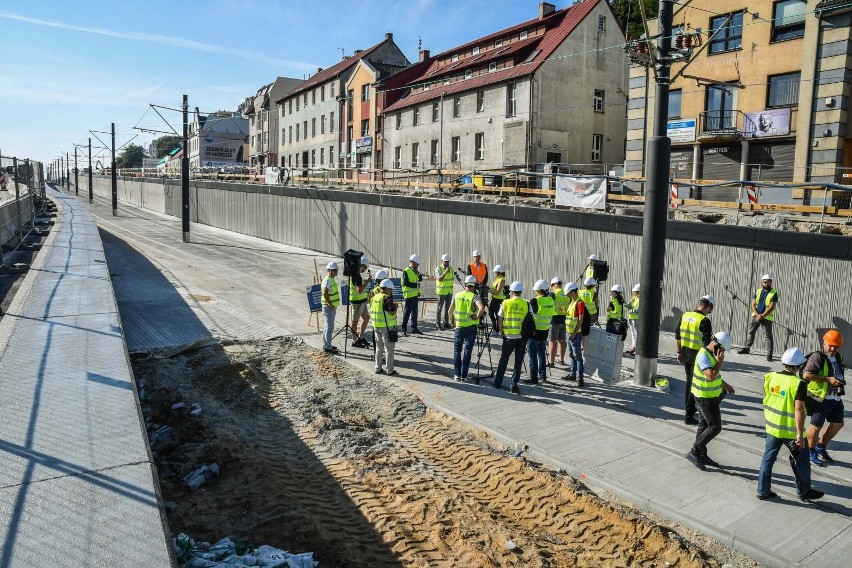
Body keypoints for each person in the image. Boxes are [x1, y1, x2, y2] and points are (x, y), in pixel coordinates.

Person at [756, 347, 824, 501]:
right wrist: (800, 434)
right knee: (802, 461)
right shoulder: (798, 383)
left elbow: (768, 397)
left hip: (773, 427)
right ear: (799, 366)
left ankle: (762, 490)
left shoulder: (769, 376)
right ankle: (804, 491)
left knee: (768, 459)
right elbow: (799, 409)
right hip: (791, 431)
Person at [686, 331, 735, 470]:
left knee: (704, 424)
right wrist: (719, 362)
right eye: (723, 349)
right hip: (705, 397)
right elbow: (711, 377)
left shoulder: (710, 354)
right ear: (717, 345)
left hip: (710, 395)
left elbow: (716, 376)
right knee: (715, 427)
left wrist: (726, 386)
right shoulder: (703, 356)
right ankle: (694, 451)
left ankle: (701, 453)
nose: (723, 352)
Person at [802, 329, 846, 466]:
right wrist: (828, 380)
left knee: (838, 424)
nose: (833, 348)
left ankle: (821, 447)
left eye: (836, 346)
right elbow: (806, 375)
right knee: (816, 426)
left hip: (835, 398)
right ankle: (810, 451)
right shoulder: (817, 357)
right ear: (824, 342)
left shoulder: (838, 357)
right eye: (830, 345)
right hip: (820, 398)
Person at [676, 295, 715, 425]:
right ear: (708, 307)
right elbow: (706, 344)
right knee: (695, 385)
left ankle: (689, 410)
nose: (709, 313)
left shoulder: (685, 315)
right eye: (710, 310)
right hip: (698, 357)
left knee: (689, 382)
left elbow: (677, 335)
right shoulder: (704, 321)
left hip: (685, 353)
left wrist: (679, 351)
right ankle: (689, 414)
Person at [449, 275, 486, 383]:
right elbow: (482, 308)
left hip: (459, 327)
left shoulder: (457, 295)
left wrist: (452, 323)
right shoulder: (475, 296)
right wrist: (477, 316)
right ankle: (464, 376)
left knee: (457, 350)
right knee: (467, 351)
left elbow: (450, 311)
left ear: (465, 285)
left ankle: (457, 375)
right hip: (470, 328)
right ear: (474, 286)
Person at [494, 281, 529, 394]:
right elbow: (530, 320)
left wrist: (501, 331)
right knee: (518, 362)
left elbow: (500, 318)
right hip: (521, 337)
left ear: (511, 292)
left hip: (508, 336)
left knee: (503, 360)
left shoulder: (505, 303)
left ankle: (498, 382)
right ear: (521, 291)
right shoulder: (526, 303)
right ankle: (514, 385)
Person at [738, 274, 779, 361]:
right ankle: (746, 348)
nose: (766, 284)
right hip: (756, 316)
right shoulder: (758, 291)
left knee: (768, 336)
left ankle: (769, 354)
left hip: (766, 318)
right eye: (765, 282)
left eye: (768, 282)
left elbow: (771, 307)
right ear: (762, 282)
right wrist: (757, 315)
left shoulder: (774, 293)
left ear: (771, 282)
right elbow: (753, 304)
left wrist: (762, 316)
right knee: (751, 332)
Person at [526, 280, 554, 385]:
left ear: (538, 290)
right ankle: (543, 376)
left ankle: (534, 378)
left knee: (532, 355)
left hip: (535, 332)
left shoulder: (535, 301)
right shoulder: (550, 299)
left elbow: (530, 316)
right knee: (542, 354)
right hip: (545, 331)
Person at [371, 279, 399, 377]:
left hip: (376, 325)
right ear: (386, 288)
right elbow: (392, 311)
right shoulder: (386, 298)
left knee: (379, 348)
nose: (391, 291)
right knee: (389, 349)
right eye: (390, 289)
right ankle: (389, 370)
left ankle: (378, 368)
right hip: (387, 326)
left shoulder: (375, 297)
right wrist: (396, 307)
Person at [564, 282, 586, 387]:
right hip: (569, 332)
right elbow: (571, 316)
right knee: (571, 355)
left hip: (575, 334)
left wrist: (574, 333)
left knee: (578, 356)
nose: (567, 295)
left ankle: (580, 378)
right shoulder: (572, 302)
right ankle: (573, 374)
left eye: (568, 293)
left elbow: (580, 320)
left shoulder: (580, 303)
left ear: (573, 291)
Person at [348, 256, 373, 348]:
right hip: (357, 303)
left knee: (366, 318)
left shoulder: (357, 275)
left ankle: (361, 337)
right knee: (354, 322)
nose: (365, 270)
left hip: (362, 302)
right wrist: (368, 282)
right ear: (362, 265)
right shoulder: (356, 276)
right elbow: (359, 290)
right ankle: (354, 341)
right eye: (365, 268)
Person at [548, 277, 569, 367]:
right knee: (562, 340)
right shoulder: (566, 293)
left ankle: (551, 362)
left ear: (553, 285)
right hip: (565, 318)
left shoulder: (552, 294)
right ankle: (561, 359)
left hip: (554, 319)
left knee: (552, 341)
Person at [401, 254, 423, 336]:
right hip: (409, 295)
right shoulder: (406, 271)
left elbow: (420, 279)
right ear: (412, 262)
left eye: (418, 264)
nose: (417, 265)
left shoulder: (415, 271)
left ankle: (414, 328)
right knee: (407, 313)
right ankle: (404, 329)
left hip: (415, 295)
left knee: (414, 313)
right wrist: (416, 286)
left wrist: (418, 273)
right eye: (416, 264)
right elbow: (405, 283)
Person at [321, 261, 340, 354]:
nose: (336, 272)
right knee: (330, 326)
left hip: (331, 306)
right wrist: (330, 304)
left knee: (327, 326)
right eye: (334, 270)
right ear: (329, 271)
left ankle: (326, 344)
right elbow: (325, 293)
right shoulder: (328, 280)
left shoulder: (331, 279)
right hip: (329, 307)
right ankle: (327, 346)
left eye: (336, 270)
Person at [435, 254, 454, 331]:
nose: (447, 263)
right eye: (445, 262)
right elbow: (440, 279)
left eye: (448, 262)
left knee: (448, 308)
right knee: (439, 308)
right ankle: (438, 324)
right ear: (442, 261)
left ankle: (446, 323)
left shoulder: (451, 269)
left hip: (449, 291)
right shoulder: (438, 268)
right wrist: (446, 271)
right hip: (441, 291)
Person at [487, 265, 507, 332]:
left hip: (499, 300)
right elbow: (493, 288)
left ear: (500, 272)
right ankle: (495, 327)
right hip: (494, 299)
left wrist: (488, 290)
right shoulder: (497, 278)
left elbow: (497, 292)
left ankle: (498, 329)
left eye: (496, 272)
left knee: (498, 315)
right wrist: (487, 287)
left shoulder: (502, 280)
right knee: (490, 313)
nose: (495, 273)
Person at [626, 284, 640, 355]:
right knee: (633, 334)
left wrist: (631, 310)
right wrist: (626, 304)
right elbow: (630, 305)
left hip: (636, 319)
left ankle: (638, 349)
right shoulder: (634, 298)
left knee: (637, 334)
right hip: (631, 318)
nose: (634, 293)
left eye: (635, 291)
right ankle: (634, 347)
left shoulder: (641, 299)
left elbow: (638, 309)